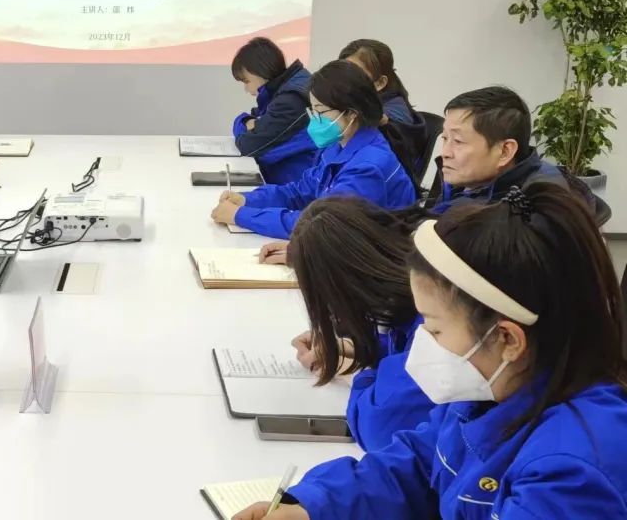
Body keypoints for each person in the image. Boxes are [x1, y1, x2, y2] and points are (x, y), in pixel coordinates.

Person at [234, 184, 627, 519]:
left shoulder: (569, 474)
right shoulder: (492, 392)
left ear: (507, 340)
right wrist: (314, 508)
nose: (423, 340)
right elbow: (419, 465)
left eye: (435, 328)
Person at [286, 198, 433, 452]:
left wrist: (357, 373)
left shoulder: (431, 318)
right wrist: (356, 346)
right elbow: (400, 346)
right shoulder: (405, 296)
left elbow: (379, 426)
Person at [211, 60, 417, 238]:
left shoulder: (368, 167)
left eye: (321, 112)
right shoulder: (338, 144)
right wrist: (248, 199)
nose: (315, 119)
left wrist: (241, 216)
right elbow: (301, 192)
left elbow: (322, 227)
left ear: (352, 114)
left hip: (371, 260)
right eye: (313, 110)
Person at [429, 86, 590, 214]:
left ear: (505, 152)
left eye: (458, 141)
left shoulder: (520, 215)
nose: (445, 153)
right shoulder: (472, 182)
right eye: (445, 138)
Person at [230, 37, 318, 184]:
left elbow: (249, 146)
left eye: (246, 81)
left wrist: (243, 122)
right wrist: (246, 121)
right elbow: (257, 118)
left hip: (294, 184)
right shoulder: (287, 88)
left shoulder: (291, 100)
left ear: (261, 70)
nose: (246, 89)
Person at [339, 39, 426, 174]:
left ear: (380, 83)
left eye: (357, 74)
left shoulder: (394, 114)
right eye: (344, 72)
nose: (347, 80)